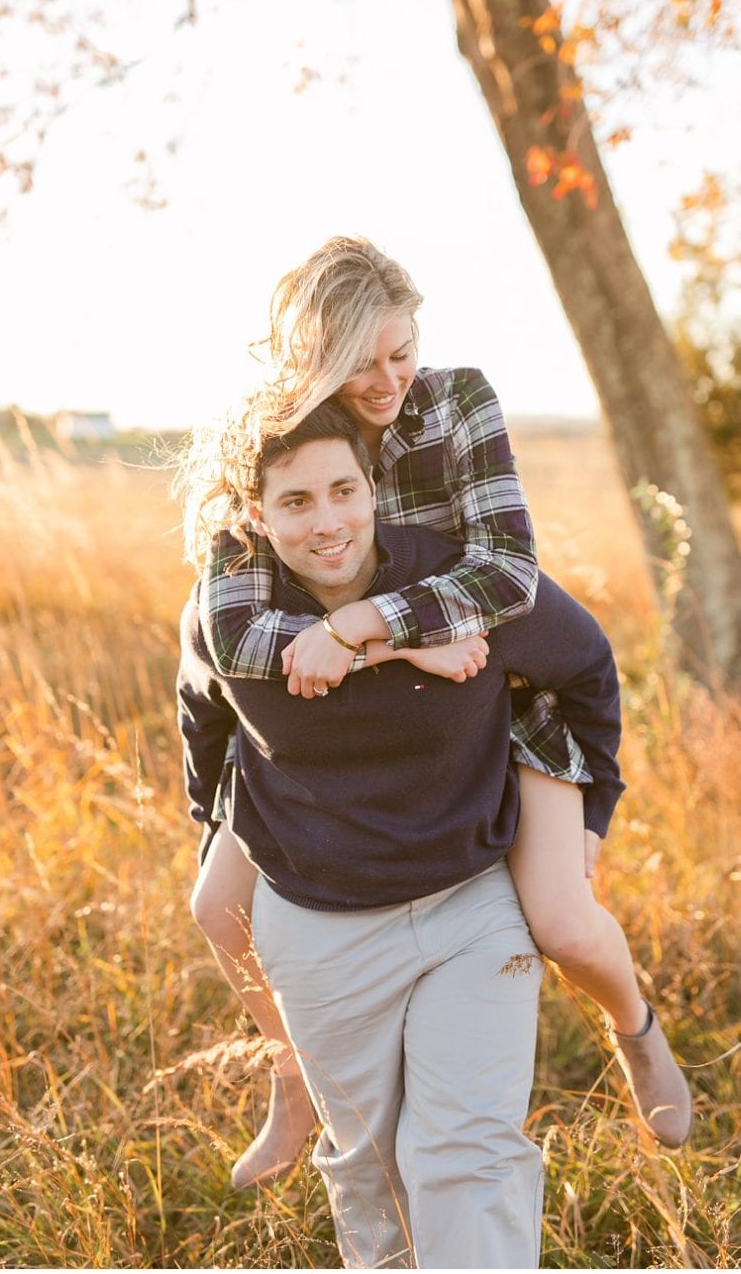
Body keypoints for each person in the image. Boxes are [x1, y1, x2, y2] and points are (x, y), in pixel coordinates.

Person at [175, 238, 689, 1193]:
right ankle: (295, 1075)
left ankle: (635, 1030)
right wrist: (409, 641)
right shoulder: (278, 438)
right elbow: (239, 634)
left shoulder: (455, 402)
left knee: (564, 924)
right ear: (313, 363)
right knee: (215, 905)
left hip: (492, 698)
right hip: (329, 731)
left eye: (401, 350)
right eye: (361, 362)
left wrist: (372, 625)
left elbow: (505, 576)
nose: (388, 380)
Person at [178, 401, 630, 1265]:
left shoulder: (462, 582)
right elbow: (205, 722)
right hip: (318, 921)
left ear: (374, 487)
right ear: (255, 513)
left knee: (465, 1156)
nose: (328, 522)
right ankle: (290, 1082)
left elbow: (586, 666)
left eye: (344, 490)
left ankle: (637, 1031)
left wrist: (592, 815)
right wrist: (214, 827)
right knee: (370, 1170)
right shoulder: (232, 608)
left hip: (471, 902)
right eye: (297, 502)